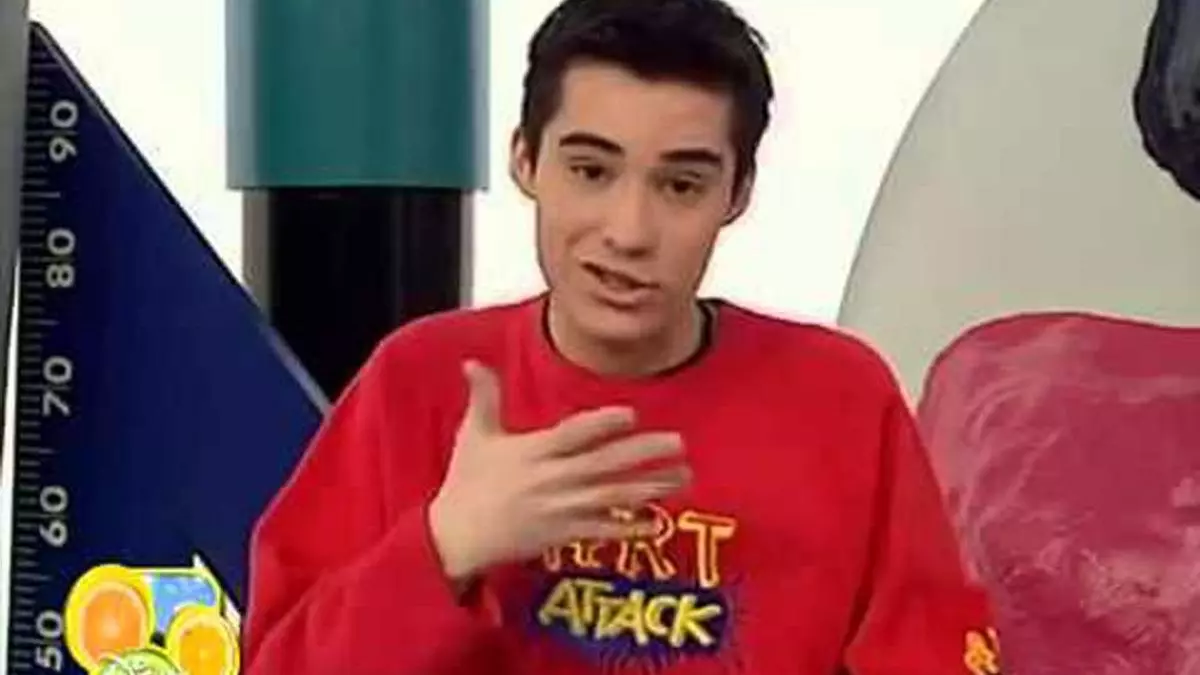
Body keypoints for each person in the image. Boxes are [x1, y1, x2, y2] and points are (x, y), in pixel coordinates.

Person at [240, 0, 1004, 673]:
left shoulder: (840, 397)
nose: (630, 231)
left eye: (681, 185)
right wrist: (445, 543)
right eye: (591, 171)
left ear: (737, 193)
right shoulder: (418, 380)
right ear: (525, 160)